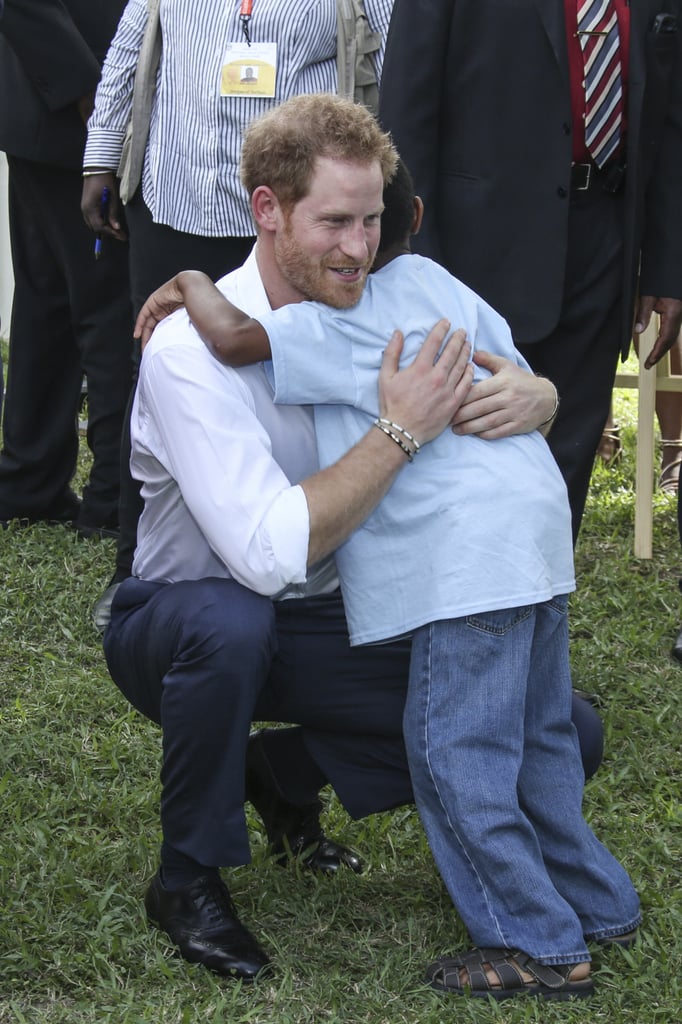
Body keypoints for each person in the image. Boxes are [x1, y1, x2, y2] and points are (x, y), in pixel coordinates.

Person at [102, 94, 602, 985]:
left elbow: (499, 359)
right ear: (268, 210)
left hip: (345, 612)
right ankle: (187, 878)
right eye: (333, 221)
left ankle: (286, 772)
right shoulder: (192, 349)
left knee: (563, 728)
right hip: (186, 617)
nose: (357, 247)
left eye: (371, 221)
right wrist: (401, 430)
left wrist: (543, 392)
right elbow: (263, 554)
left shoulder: (393, 299)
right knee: (233, 625)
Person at [80, 0, 395, 609]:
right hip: (177, 190)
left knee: (292, 371)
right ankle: (132, 566)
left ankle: (300, 547)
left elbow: (397, 52)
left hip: (296, 218)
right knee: (159, 372)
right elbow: (128, 48)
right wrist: (102, 152)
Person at [378, 0, 682, 544]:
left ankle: (543, 616)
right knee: (468, 457)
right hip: (476, 252)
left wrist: (664, 264)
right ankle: (469, 622)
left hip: (606, 242)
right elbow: (406, 108)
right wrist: (413, 262)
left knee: (567, 457)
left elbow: (670, 113)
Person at [0, 0, 133, 535]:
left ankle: (29, 481)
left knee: (45, 305)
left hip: (47, 113)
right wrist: (92, 99)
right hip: (74, 116)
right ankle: (109, 501)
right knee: (106, 310)